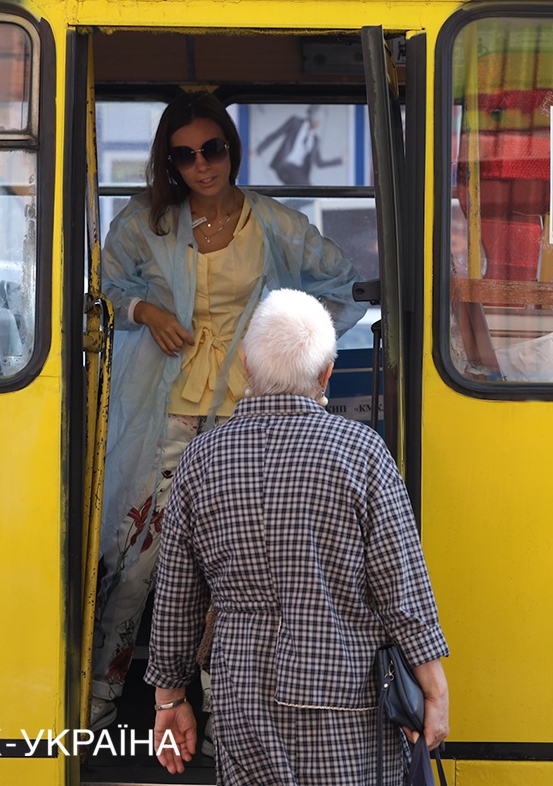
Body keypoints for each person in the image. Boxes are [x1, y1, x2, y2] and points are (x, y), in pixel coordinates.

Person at [91, 91, 366, 734]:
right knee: (139, 559)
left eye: (212, 149)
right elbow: (105, 287)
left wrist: (284, 344)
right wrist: (145, 312)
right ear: (170, 162)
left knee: (239, 566)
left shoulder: (274, 223)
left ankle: (225, 715)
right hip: (166, 411)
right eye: (184, 155)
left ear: (231, 150)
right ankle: (103, 694)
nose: (201, 165)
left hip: (251, 412)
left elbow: (340, 283)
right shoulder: (146, 222)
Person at [145, 288, 450, 785]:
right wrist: (433, 690)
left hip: (240, 699)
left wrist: (169, 700)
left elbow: (177, 597)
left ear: (244, 365)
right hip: (344, 698)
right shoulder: (362, 453)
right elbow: (403, 589)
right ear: (327, 372)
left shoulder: (200, 459)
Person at [257, 105, 343, 186]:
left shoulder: (314, 139)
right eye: (317, 120)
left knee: (306, 192)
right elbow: (275, 135)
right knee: (308, 190)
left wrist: (340, 160)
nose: (318, 124)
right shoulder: (295, 123)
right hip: (285, 165)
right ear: (312, 117)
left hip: (298, 171)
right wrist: (258, 150)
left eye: (320, 121)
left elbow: (319, 163)